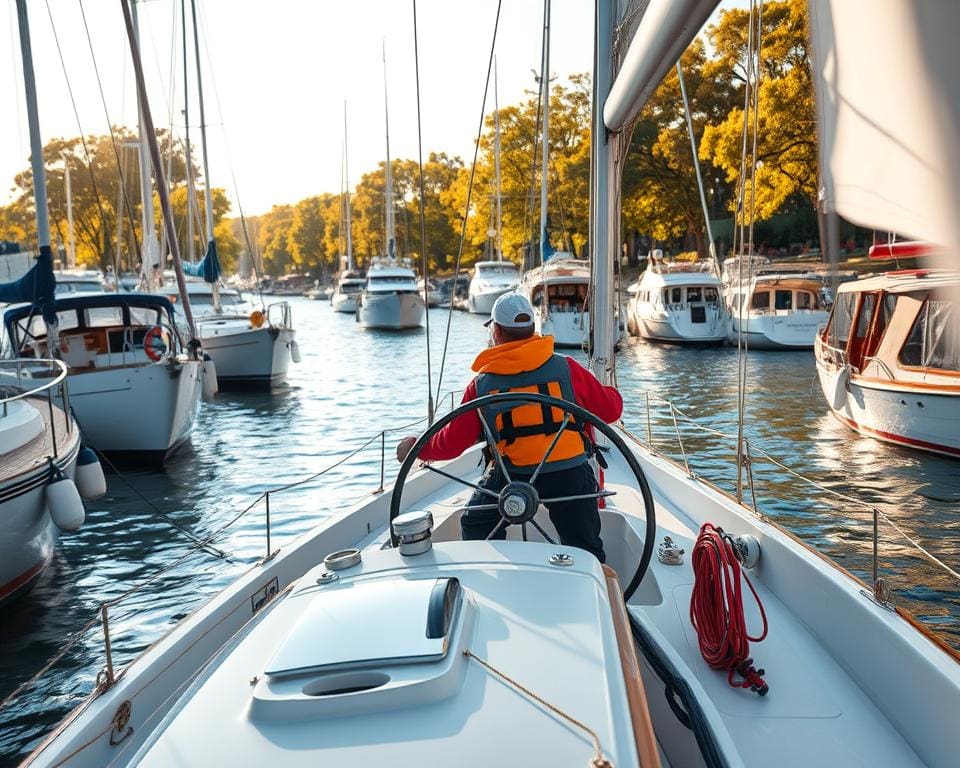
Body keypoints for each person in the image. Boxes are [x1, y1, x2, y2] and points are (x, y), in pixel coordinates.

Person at [396, 293, 622, 562]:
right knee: (585, 546)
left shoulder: (481, 386)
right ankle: (592, 583)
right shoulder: (567, 369)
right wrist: (608, 390)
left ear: (497, 330)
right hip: (570, 475)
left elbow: (451, 442)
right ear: (533, 329)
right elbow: (611, 410)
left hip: (514, 476)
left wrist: (417, 447)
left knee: (475, 523)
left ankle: (497, 575)